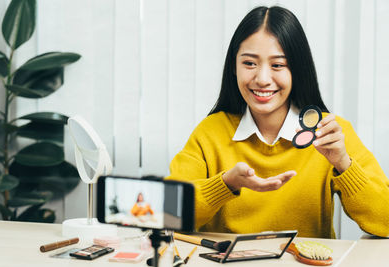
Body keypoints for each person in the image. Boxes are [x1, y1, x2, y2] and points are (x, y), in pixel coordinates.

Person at [166, 6, 389, 238]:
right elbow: (169, 215)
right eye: (249, 63)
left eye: (278, 65)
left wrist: (343, 163)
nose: (262, 79)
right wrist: (226, 184)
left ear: (298, 70)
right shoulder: (210, 132)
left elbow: (386, 220)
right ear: (234, 67)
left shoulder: (329, 133)